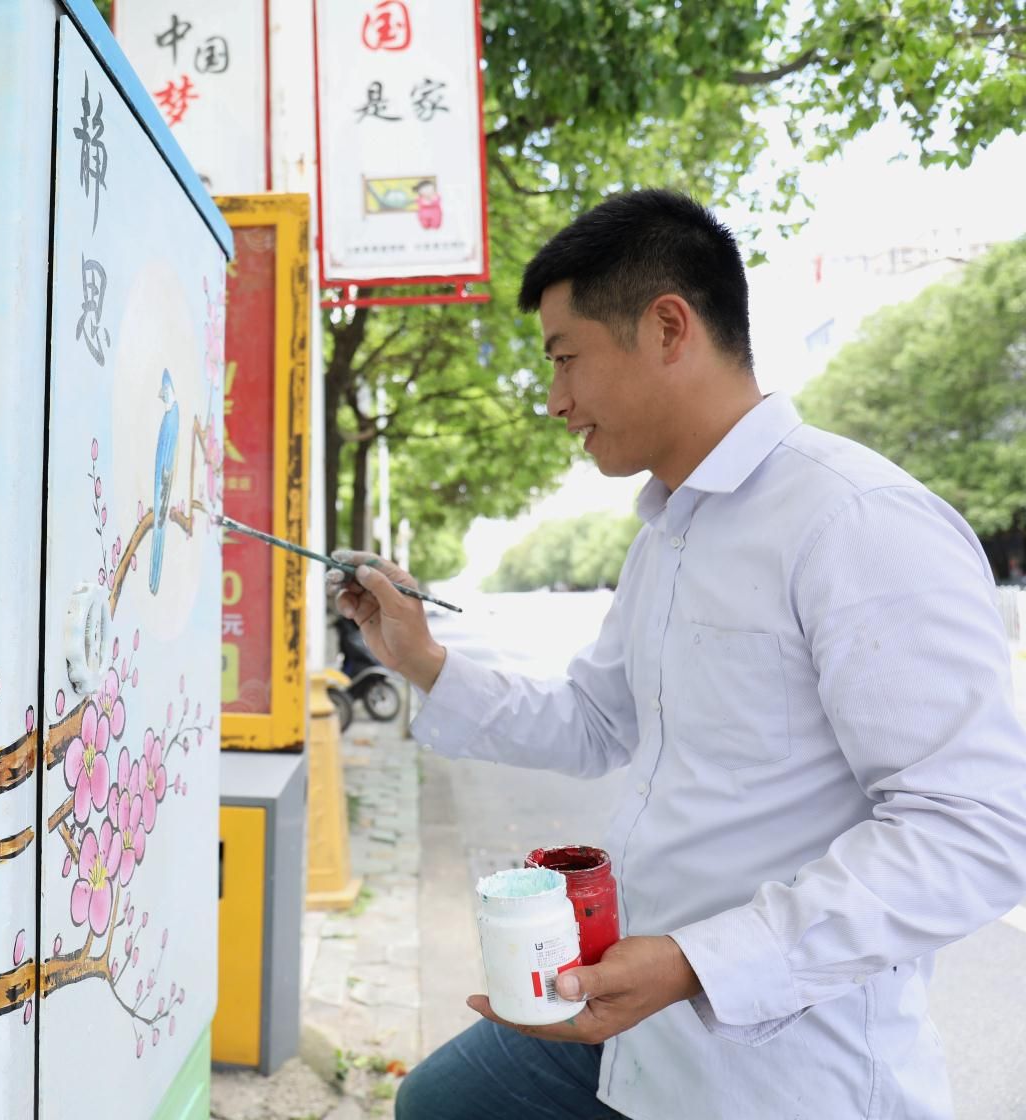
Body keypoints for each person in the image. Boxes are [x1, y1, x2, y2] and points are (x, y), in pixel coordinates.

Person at [329, 188, 1026, 1119]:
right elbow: (598, 719)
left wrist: (702, 962)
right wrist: (421, 659)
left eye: (566, 359)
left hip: (777, 1060)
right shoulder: (666, 534)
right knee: (443, 1102)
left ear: (666, 327)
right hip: (636, 1015)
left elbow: (975, 830)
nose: (554, 401)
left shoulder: (854, 519)